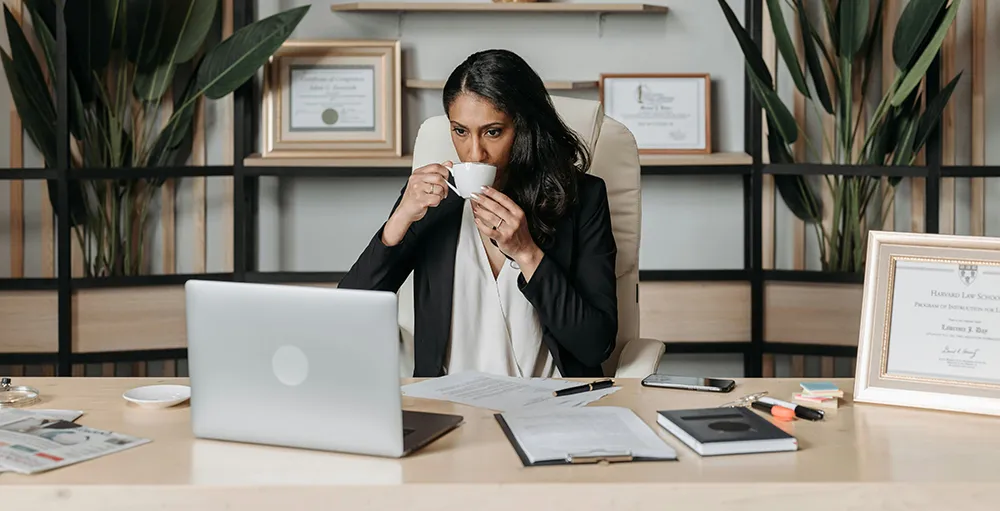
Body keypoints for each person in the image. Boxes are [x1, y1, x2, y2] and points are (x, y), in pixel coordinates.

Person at [339, 49, 618, 378]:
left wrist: (527, 253)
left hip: (554, 404)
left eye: (493, 132)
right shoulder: (430, 201)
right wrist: (399, 220)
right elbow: (349, 313)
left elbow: (595, 344)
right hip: (447, 404)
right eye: (460, 131)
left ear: (525, 128)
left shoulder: (583, 198)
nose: (475, 154)